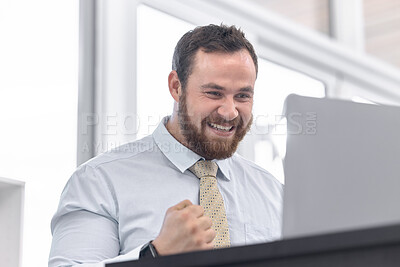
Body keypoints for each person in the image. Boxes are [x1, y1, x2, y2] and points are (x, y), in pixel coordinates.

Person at [49, 24, 283, 267]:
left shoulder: (275, 194)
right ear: (176, 87)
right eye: (214, 93)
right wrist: (155, 255)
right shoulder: (99, 182)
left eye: (242, 96)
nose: (229, 111)